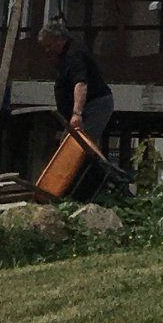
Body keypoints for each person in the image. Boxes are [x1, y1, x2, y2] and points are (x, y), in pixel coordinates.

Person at [41, 17, 128, 198]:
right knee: (70, 145)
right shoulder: (63, 56)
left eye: (49, 45)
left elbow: (81, 83)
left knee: (80, 147)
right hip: (86, 107)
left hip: (95, 106)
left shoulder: (74, 54)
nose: (47, 51)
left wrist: (76, 113)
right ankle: (66, 190)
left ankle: (93, 189)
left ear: (59, 40)